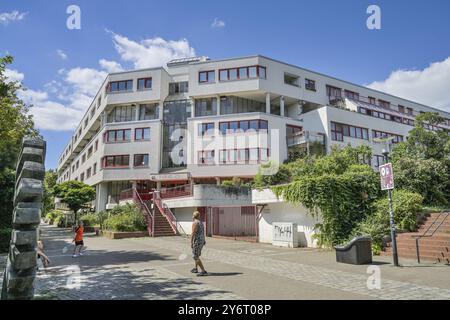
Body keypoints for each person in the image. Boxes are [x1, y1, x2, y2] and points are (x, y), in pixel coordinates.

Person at [190, 211, 207, 276]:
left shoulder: (195, 223)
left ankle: (203, 271)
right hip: (201, 240)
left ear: (193, 216)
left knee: (195, 256)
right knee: (197, 254)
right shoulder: (200, 222)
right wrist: (204, 240)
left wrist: (191, 242)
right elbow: (203, 232)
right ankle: (195, 268)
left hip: (197, 241)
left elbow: (193, 233)